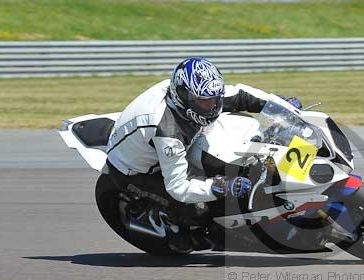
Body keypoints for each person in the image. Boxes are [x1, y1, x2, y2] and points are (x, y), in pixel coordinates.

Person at [103, 57, 295, 251]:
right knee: (197, 210)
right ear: (183, 97)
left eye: (215, 99)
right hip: (135, 171)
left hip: (167, 144)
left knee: (227, 150)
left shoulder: (202, 92)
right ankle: (172, 225)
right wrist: (219, 187)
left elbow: (242, 95)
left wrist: (282, 106)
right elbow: (178, 187)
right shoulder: (167, 130)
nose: (212, 106)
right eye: (205, 102)